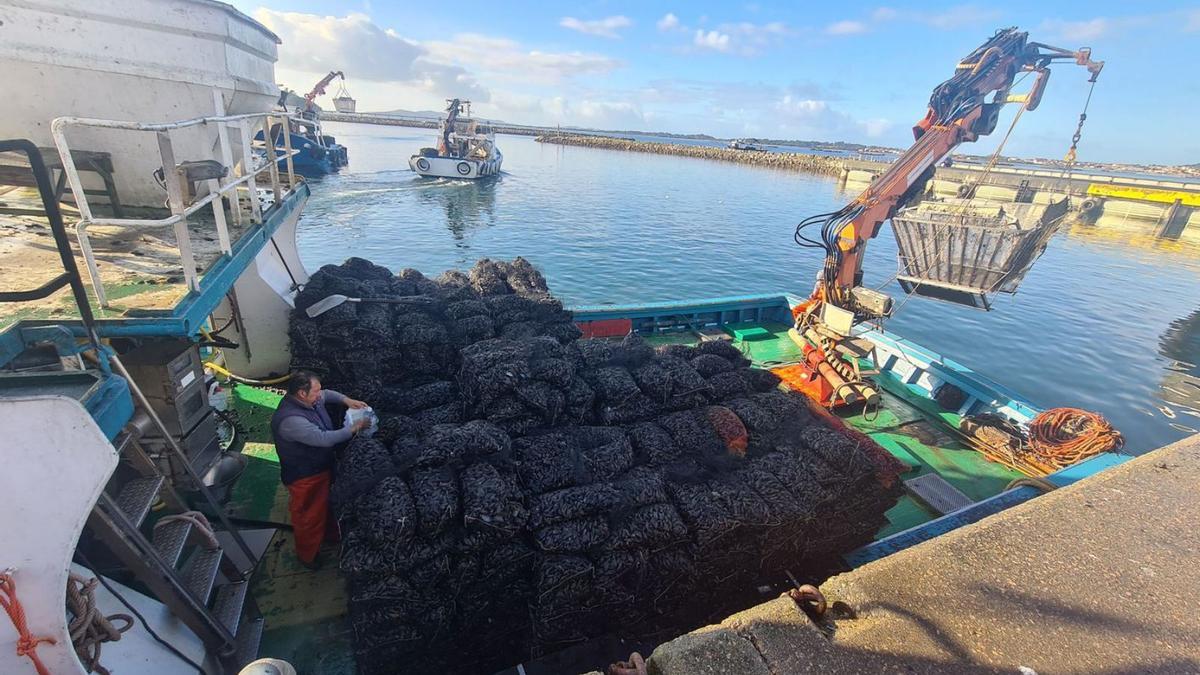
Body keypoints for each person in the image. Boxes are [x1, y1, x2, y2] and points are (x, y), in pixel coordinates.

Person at [270, 370, 370, 569]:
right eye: (316, 391)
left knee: (328, 506)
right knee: (309, 516)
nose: (320, 394)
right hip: (305, 476)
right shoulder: (291, 421)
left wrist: (347, 401)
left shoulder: (310, 399)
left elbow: (328, 394)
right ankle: (307, 556)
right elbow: (324, 439)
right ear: (301, 393)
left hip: (321, 466)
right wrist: (353, 429)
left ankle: (330, 535)